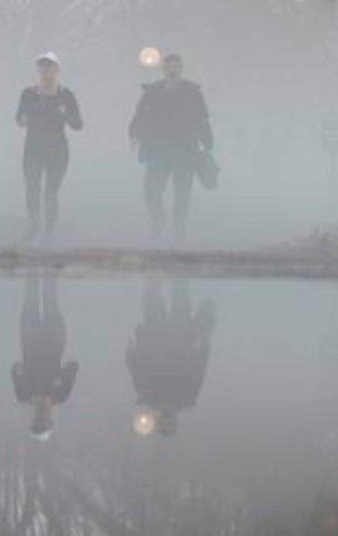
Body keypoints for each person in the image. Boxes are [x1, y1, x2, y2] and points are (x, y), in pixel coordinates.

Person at [128, 53, 212, 242]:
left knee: (182, 195)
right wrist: (134, 134)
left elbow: (202, 120)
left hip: (185, 151)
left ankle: (178, 233)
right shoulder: (152, 93)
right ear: (163, 70)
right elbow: (140, 116)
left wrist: (208, 144)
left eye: (175, 66)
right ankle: (158, 221)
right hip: (158, 150)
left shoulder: (193, 93)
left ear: (181, 69)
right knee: (151, 190)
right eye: (168, 67)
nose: (172, 70)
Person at [125, 279, 215, 437]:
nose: (168, 419)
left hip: (155, 336)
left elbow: (136, 369)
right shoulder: (187, 397)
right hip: (181, 337)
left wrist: (131, 351)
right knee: (179, 289)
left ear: (160, 420)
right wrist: (204, 345)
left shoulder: (149, 396)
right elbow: (199, 369)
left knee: (152, 293)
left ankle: (155, 265)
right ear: (175, 421)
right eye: (170, 422)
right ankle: (176, 265)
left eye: (165, 422)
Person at [16, 51, 82, 245]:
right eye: (42, 67)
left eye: (50, 67)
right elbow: (18, 117)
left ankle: (49, 233)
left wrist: (66, 113)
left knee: (51, 192)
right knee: (32, 189)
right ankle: (34, 224)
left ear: (57, 70)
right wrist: (23, 119)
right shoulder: (28, 93)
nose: (46, 71)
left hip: (57, 151)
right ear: (38, 70)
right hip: (33, 148)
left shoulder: (66, 95)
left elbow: (78, 125)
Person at [12, 275, 79, 441]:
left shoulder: (23, 394)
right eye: (44, 422)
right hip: (54, 340)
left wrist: (21, 373)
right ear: (51, 420)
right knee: (50, 299)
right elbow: (74, 366)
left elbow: (14, 369)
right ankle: (49, 265)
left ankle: (32, 265)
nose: (40, 419)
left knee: (30, 299)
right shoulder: (60, 395)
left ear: (32, 420)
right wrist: (61, 377)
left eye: (36, 422)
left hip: (30, 340)